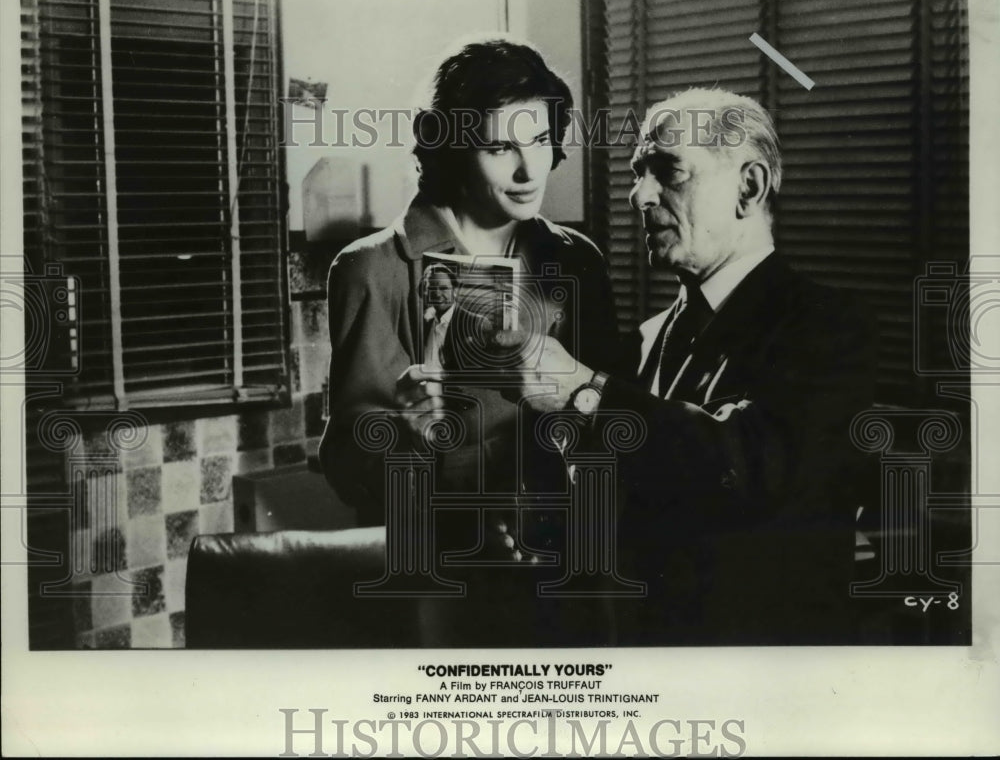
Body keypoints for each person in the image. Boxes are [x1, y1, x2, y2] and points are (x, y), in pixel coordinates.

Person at [481, 87, 878, 645]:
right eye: (638, 174)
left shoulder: (828, 326)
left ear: (749, 187)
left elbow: (749, 465)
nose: (639, 195)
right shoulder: (647, 340)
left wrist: (579, 391)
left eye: (668, 171)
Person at [318, 37, 621, 646]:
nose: (529, 171)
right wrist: (405, 431)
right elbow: (348, 468)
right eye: (500, 147)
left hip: (570, 571)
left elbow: (614, 424)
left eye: (540, 141)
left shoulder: (577, 259)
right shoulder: (371, 269)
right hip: (441, 585)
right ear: (452, 148)